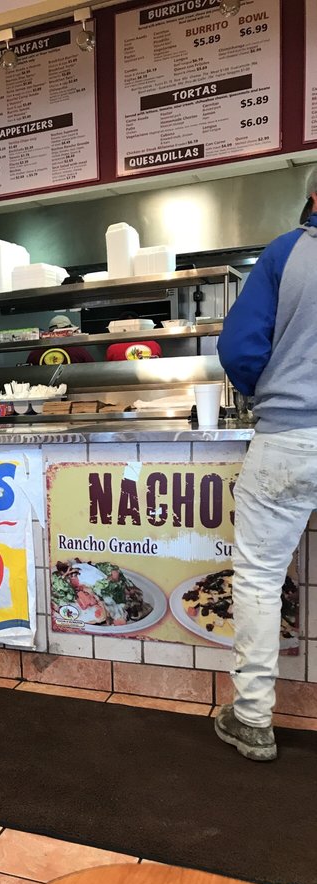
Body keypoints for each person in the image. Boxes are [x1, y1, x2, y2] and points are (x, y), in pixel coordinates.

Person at [215, 165, 317, 762]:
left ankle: (253, 719)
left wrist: (268, 391)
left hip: (289, 436)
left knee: (258, 577)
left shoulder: (287, 252)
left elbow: (238, 346)